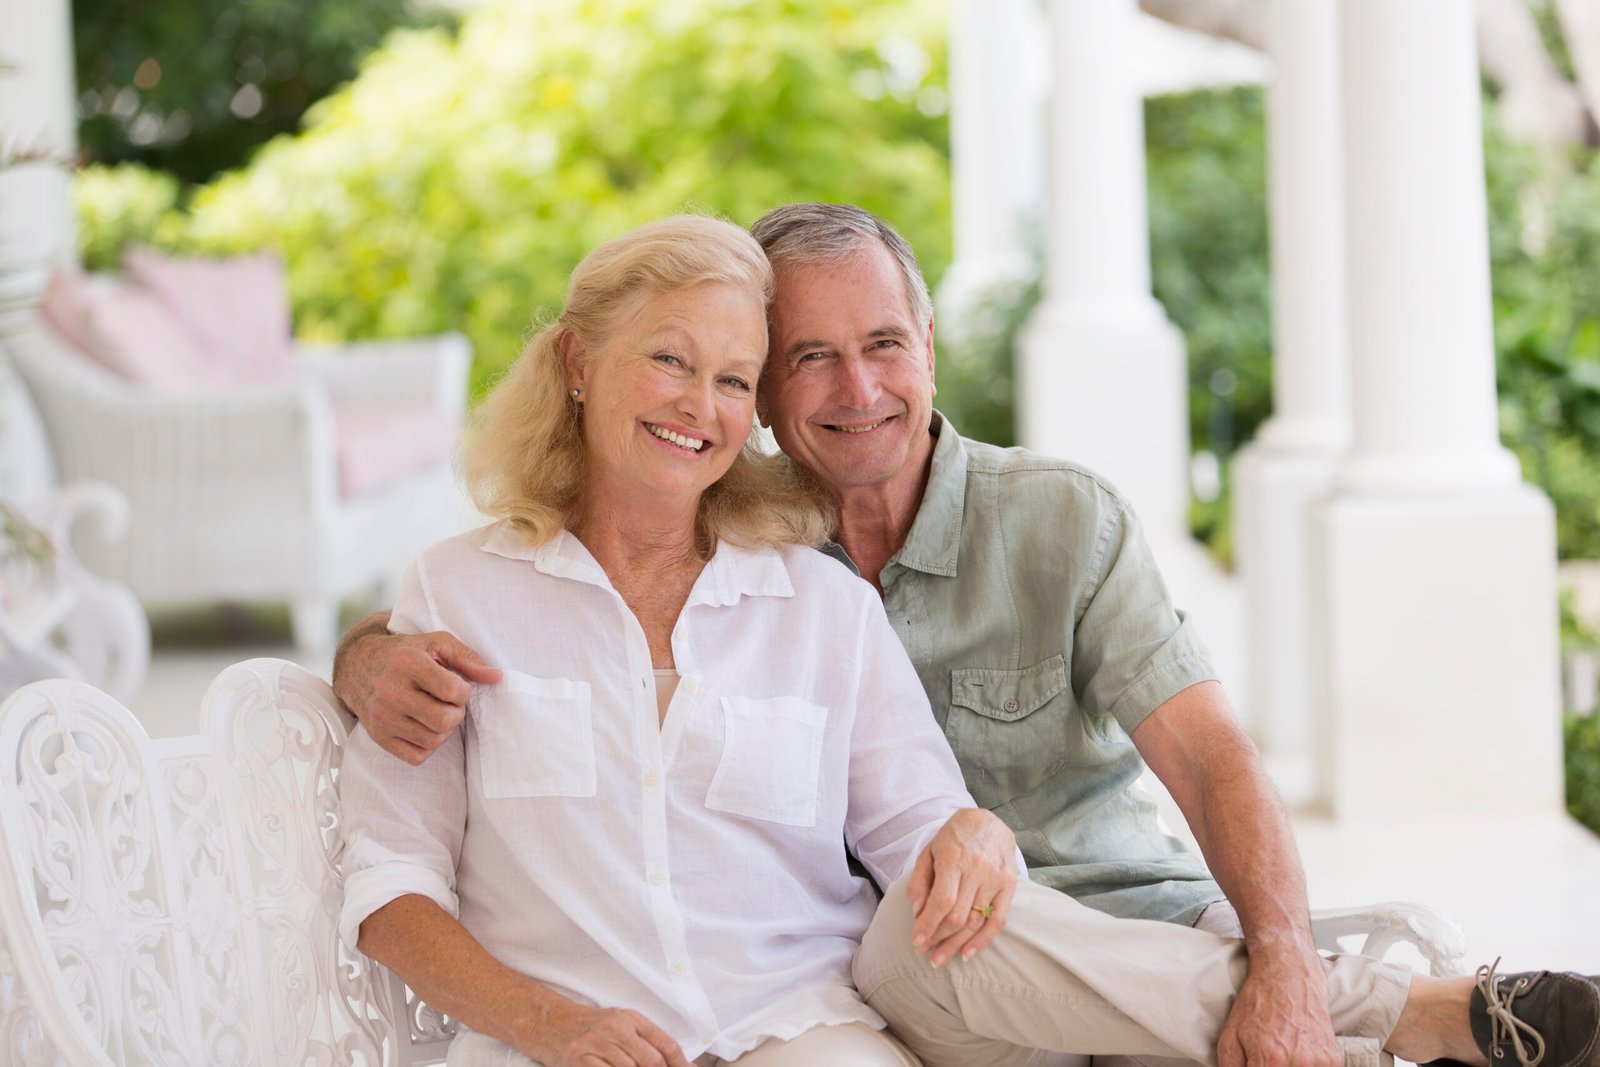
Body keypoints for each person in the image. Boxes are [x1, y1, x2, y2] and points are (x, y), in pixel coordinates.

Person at [335, 205, 1600, 1067]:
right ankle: (1427, 1010)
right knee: (939, 937)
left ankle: (1399, 1006)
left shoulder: (935, 557)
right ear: (576, 364)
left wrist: (1273, 958)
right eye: (794, 361)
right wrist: (361, 657)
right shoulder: (484, 594)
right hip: (841, 999)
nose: (851, 389)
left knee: (956, 925)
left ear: (929, 344)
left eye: (882, 344)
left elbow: (972, 815)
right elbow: (392, 869)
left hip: (985, 966)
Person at [338, 214, 1022, 1067]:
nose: (700, 406)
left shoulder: (822, 606)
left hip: (798, 1030)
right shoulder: (460, 593)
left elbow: (922, 826)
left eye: (735, 381)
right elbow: (387, 884)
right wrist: (544, 1021)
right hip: (554, 1046)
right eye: (670, 360)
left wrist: (974, 832)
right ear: (577, 364)